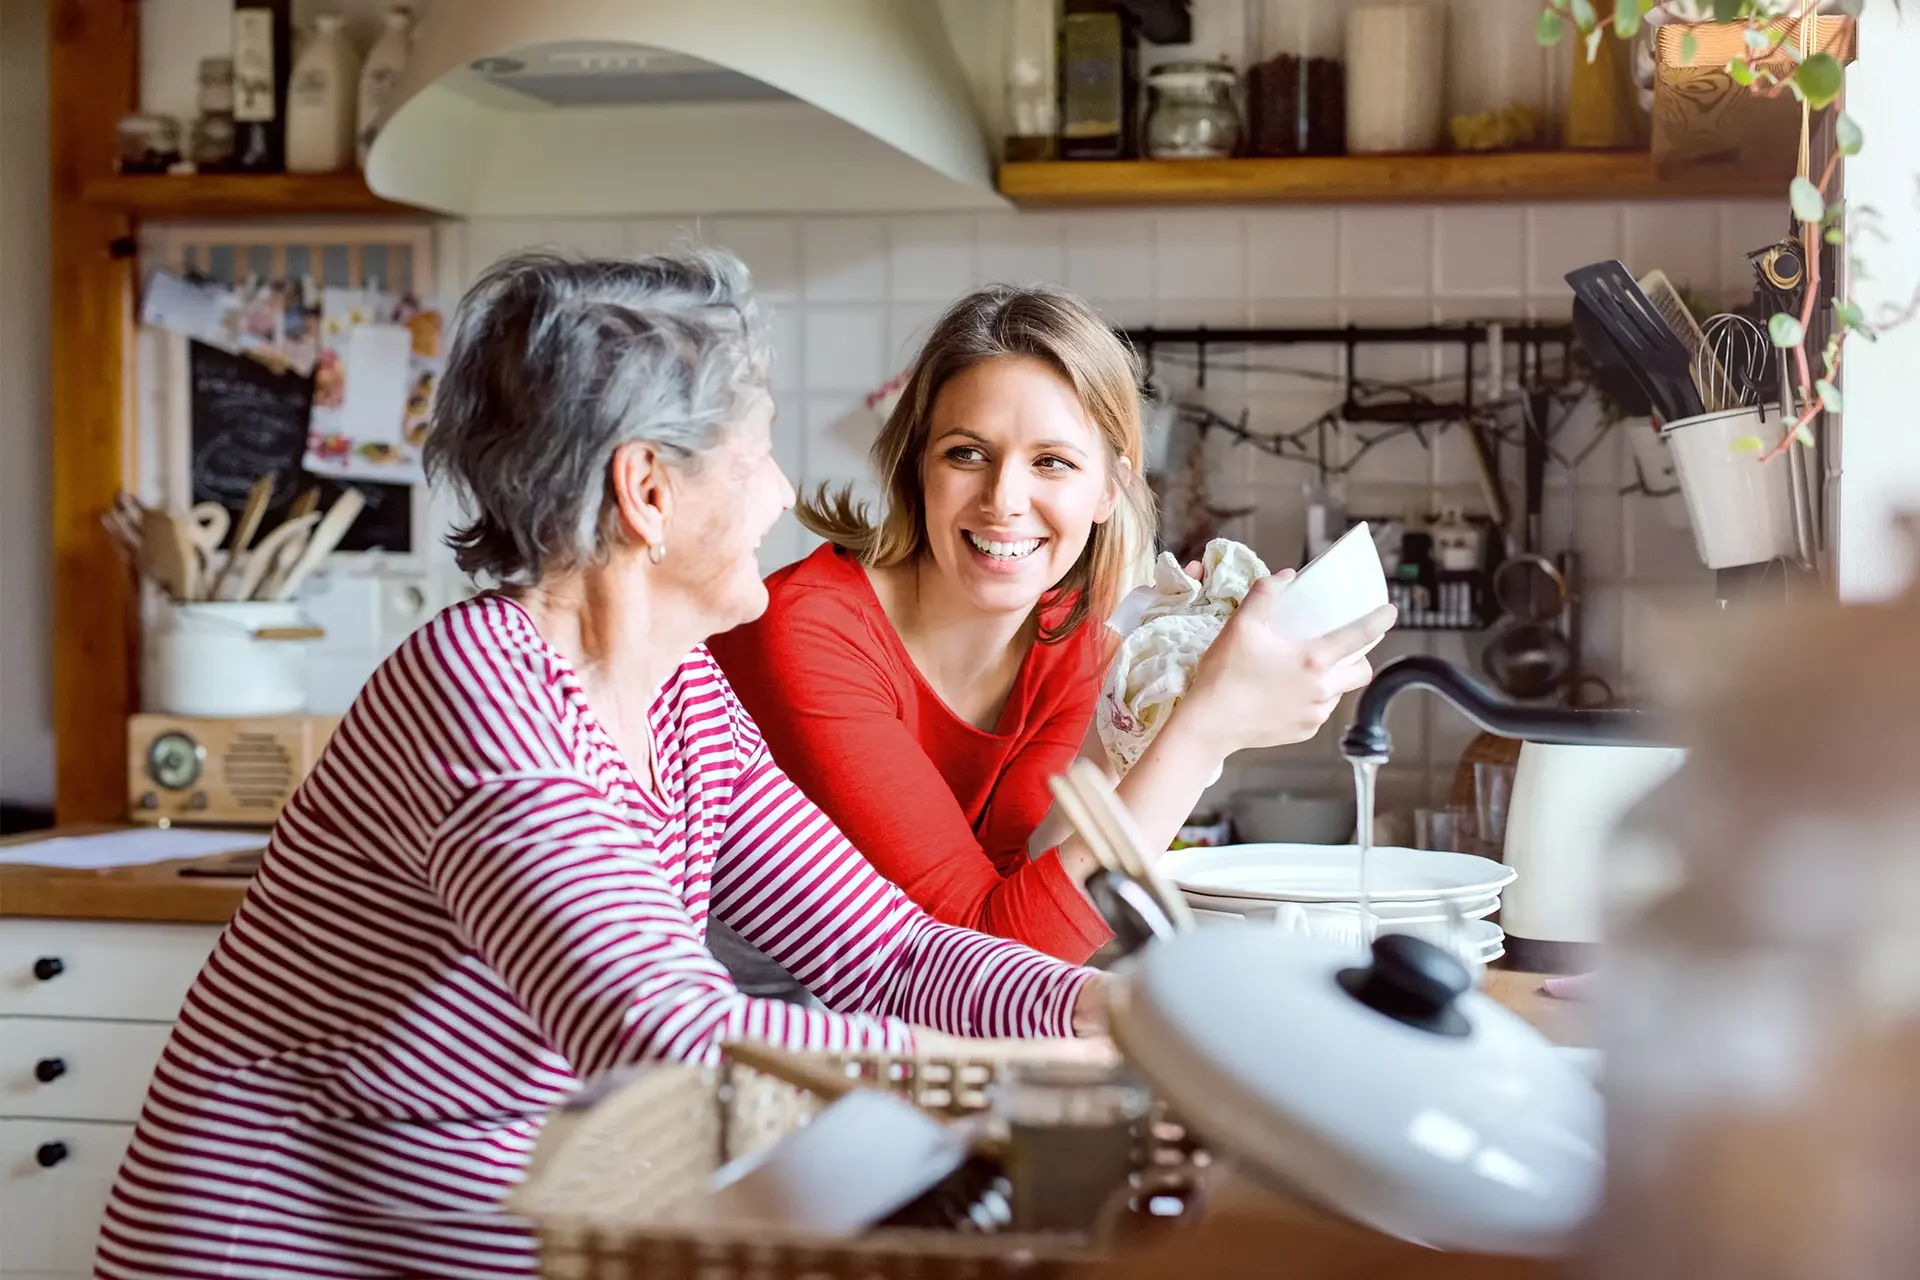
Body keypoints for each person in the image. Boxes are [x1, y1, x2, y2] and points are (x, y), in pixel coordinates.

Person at [94, 253, 1101, 1280]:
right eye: (756, 454)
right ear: (649, 490)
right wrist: (1025, 1078)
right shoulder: (482, 690)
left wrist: (1103, 1015)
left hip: (490, 1224)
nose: (787, 491)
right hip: (279, 1245)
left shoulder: (680, 692)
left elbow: (885, 953)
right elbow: (665, 1032)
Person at [709, 285, 1395, 964]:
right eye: (966, 453)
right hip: (740, 1038)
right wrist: (1205, 730)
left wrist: (1154, 709)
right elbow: (982, 959)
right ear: (918, 469)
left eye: (1052, 462)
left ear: (1109, 488)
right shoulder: (806, 633)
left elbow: (1032, 898)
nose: (1004, 499)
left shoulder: (1073, 638)